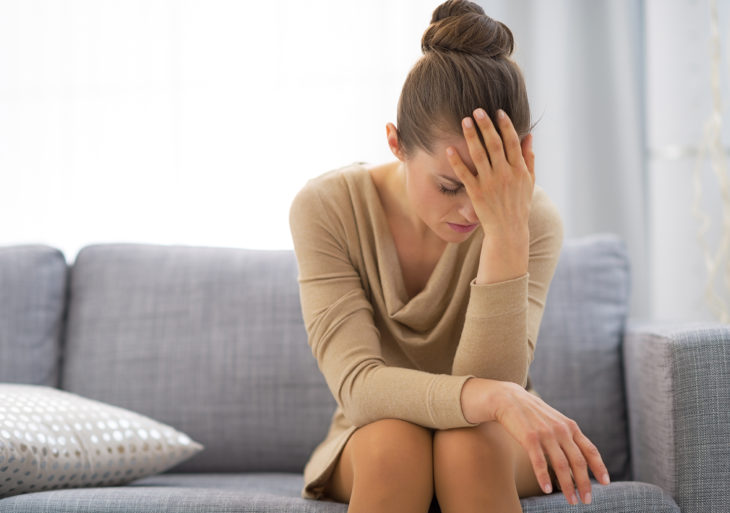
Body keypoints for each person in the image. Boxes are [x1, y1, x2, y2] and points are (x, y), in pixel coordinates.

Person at [288, 1, 610, 511]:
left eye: (485, 186)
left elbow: (495, 390)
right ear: (395, 143)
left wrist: (507, 231)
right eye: (448, 185)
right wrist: (494, 396)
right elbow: (358, 386)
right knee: (396, 444)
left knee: (468, 445)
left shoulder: (531, 219)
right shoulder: (326, 207)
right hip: (376, 437)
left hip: (491, 436)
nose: (470, 210)